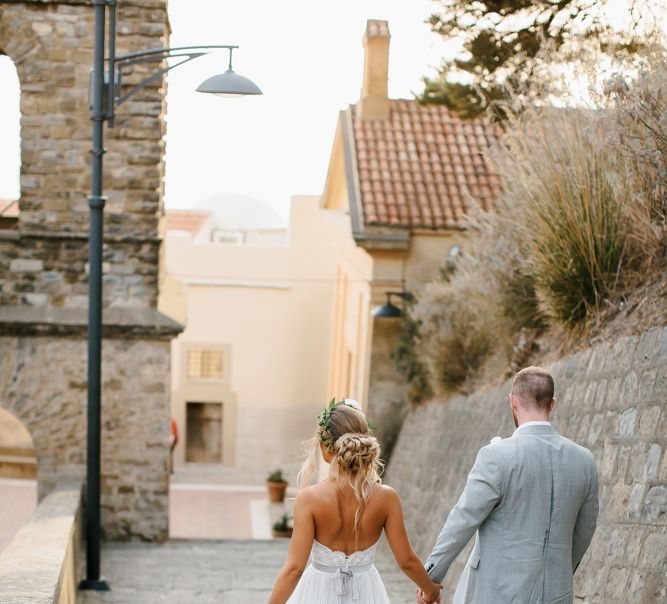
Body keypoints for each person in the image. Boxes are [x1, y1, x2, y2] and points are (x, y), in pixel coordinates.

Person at [417, 366, 599, 604]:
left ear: (512, 402)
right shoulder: (584, 460)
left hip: (497, 594)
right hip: (557, 594)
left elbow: (462, 520)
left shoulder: (496, 456)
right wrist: (558, 572)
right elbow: (585, 530)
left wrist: (430, 578)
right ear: (552, 404)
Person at [268, 398, 442, 604]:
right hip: (367, 592)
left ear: (327, 446)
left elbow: (294, 569)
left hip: (318, 593)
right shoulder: (387, 497)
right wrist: (429, 590)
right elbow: (406, 560)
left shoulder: (309, 498)